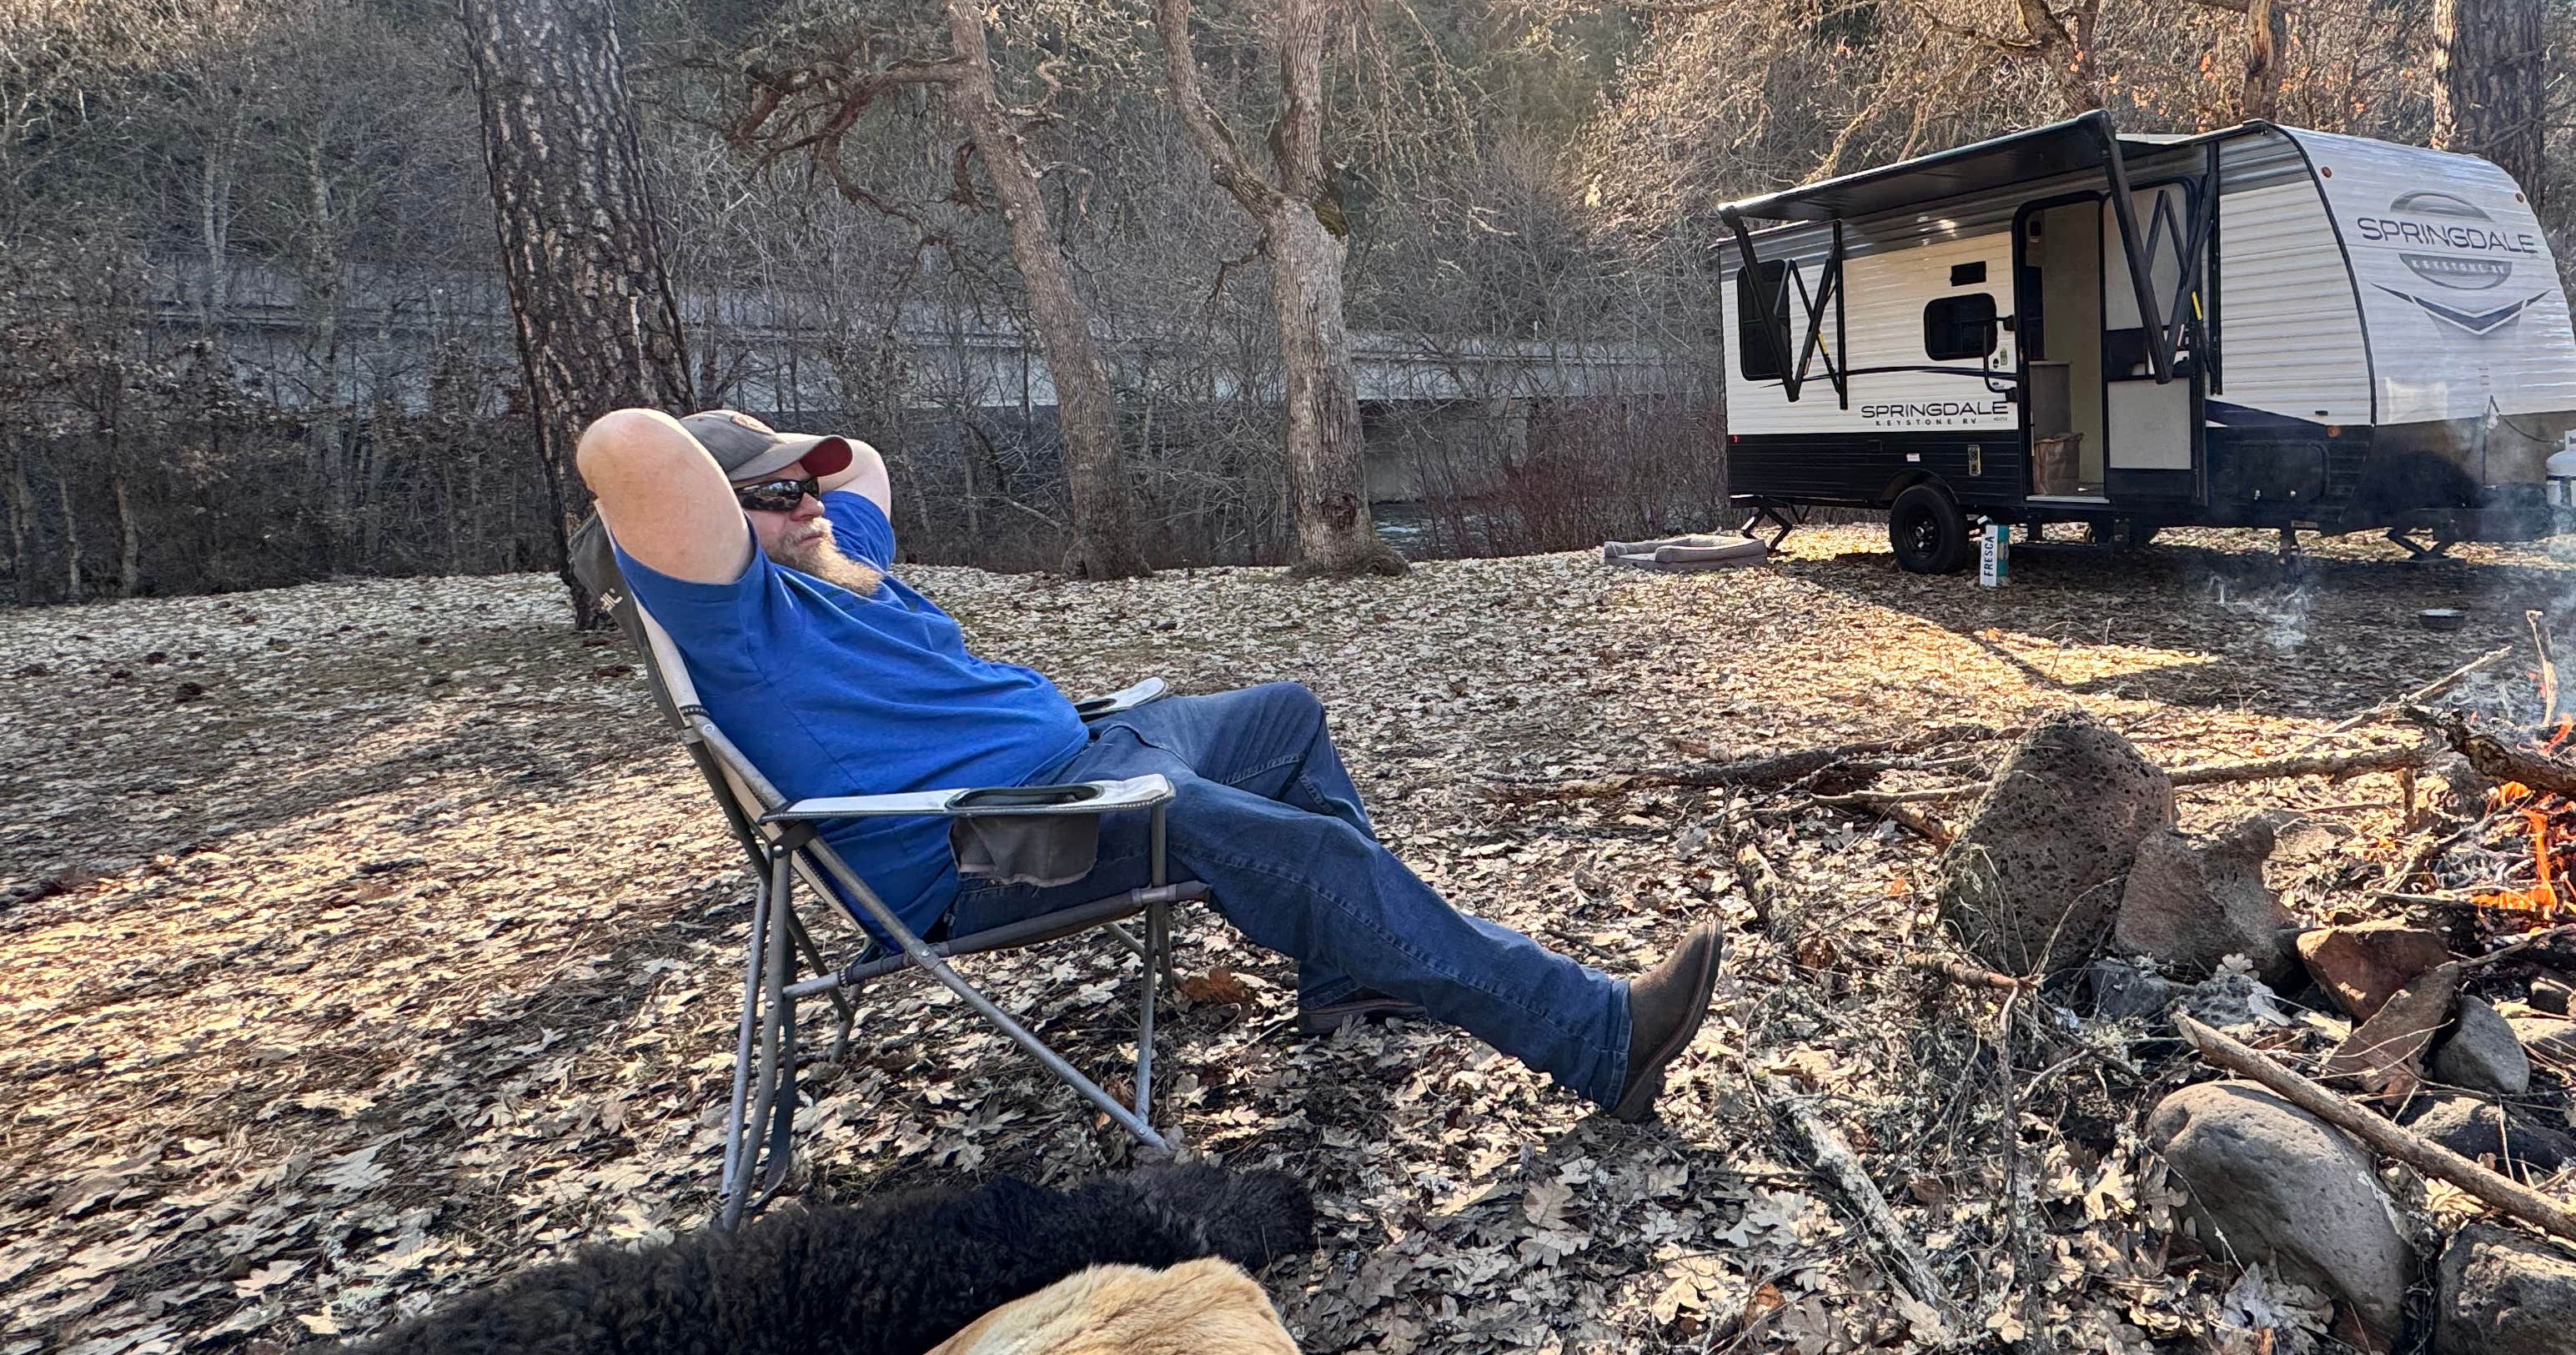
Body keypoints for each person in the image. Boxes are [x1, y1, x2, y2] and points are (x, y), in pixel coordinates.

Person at [575, 406, 1722, 1121]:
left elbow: (861, 461)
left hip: (1086, 759)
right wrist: (716, 484)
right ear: (711, 526)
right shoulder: (740, 615)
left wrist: (789, 476)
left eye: (811, 487)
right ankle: (1596, 1036)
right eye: (779, 493)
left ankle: (1348, 974)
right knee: (1295, 848)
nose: (813, 502)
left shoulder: (837, 561)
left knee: (1284, 718)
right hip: (990, 843)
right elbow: (623, 446)